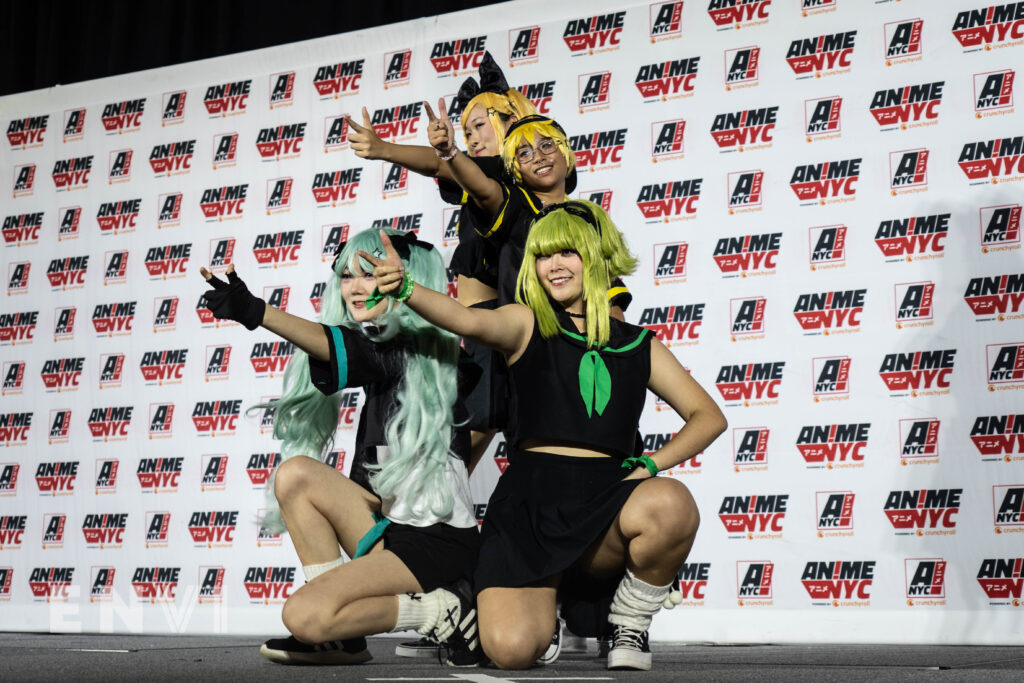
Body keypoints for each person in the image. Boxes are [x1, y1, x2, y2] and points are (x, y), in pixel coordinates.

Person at [362, 201, 727, 671]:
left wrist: (651, 465)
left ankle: (629, 618)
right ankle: (540, 604)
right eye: (543, 255)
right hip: (529, 507)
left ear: (596, 257)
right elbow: (467, 320)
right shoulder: (525, 322)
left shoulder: (639, 344)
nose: (554, 265)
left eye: (567, 252)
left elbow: (707, 417)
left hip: (604, 503)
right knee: (509, 650)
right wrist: (408, 289)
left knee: (671, 503)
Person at [198, 228, 482, 666]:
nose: (353, 287)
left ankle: (438, 611)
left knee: (303, 615)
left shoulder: (424, 351)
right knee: (295, 475)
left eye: (369, 274)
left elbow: (343, 347)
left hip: (439, 549)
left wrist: (257, 311)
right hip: (396, 533)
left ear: (408, 278)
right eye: (346, 275)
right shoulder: (388, 355)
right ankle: (341, 637)